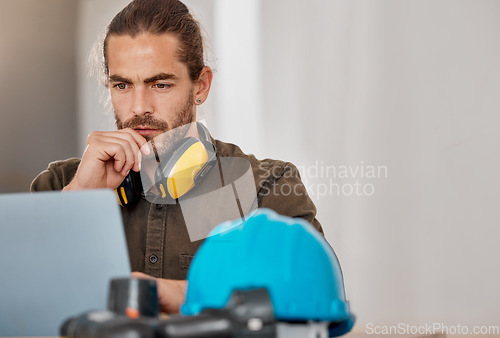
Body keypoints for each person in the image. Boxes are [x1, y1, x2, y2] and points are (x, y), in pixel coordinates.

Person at [31, 0, 323, 314]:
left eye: (160, 84)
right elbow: (20, 303)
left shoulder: (266, 186)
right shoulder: (60, 184)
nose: (139, 106)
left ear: (201, 85)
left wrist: (192, 293)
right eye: (122, 85)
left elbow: (318, 296)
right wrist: (79, 200)